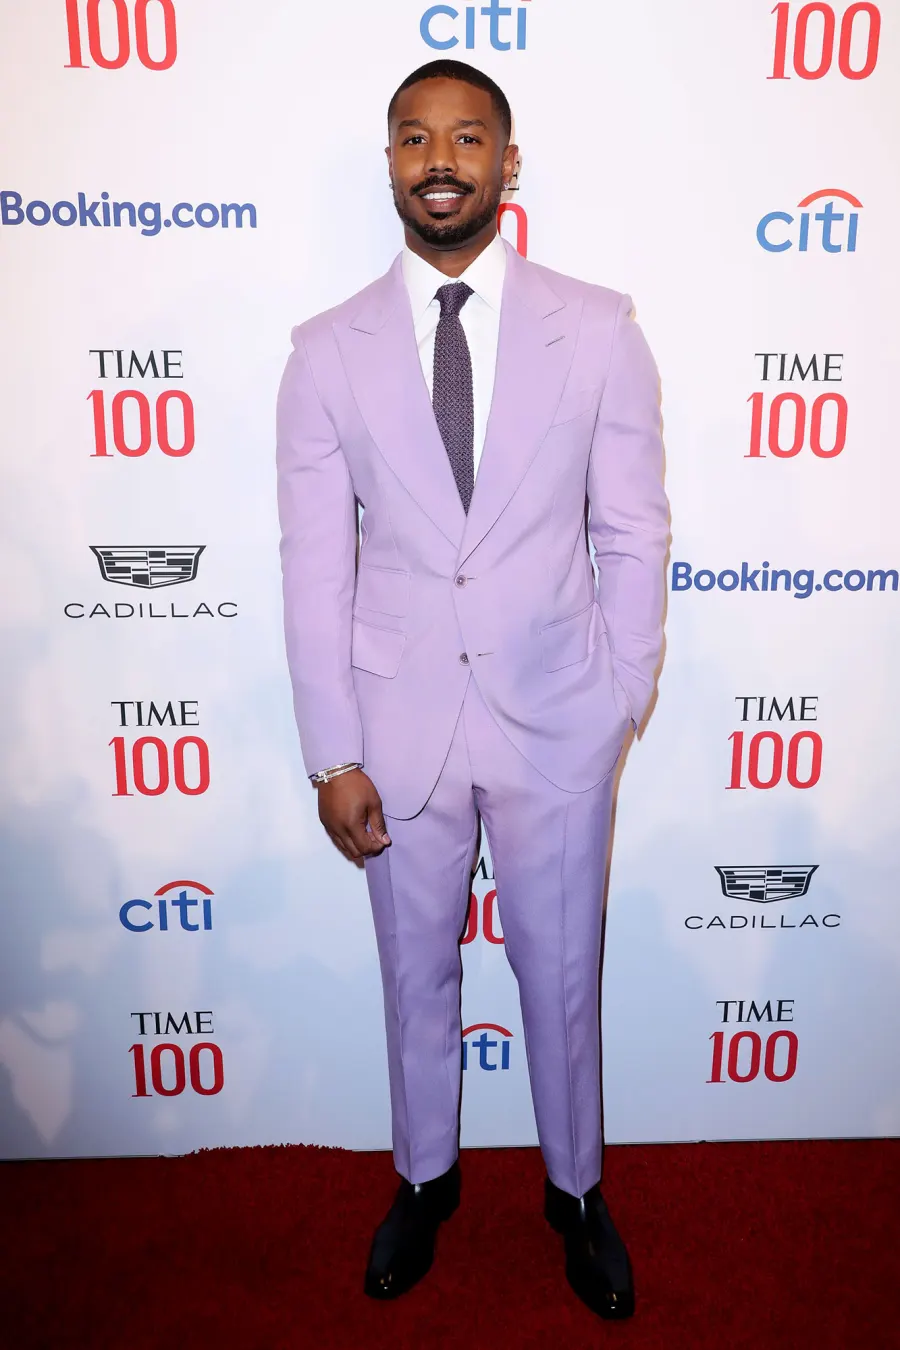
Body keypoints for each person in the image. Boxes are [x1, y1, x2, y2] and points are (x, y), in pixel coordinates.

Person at [276, 58, 668, 1320]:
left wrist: (619, 697)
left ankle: (577, 1193)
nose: (439, 159)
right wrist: (334, 755)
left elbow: (636, 534)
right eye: (413, 138)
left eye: (466, 137)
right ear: (389, 163)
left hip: (561, 719)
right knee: (412, 974)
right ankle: (423, 1181)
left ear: (509, 162)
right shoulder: (323, 352)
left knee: (563, 974)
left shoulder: (599, 328)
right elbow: (312, 570)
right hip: (395, 735)